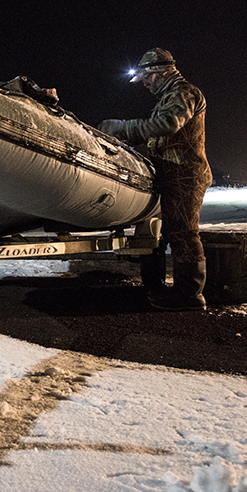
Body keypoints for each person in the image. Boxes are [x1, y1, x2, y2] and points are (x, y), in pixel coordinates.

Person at [99, 48, 211, 310]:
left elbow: (169, 124)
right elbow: (157, 133)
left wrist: (123, 127)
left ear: (160, 72)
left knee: (183, 233)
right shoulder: (168, 97)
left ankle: (190, 295)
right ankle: (163, 288)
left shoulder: (185, 93)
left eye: (147, 79)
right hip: (170, 174)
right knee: (169, 233)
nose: (146, 85)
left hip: (185, 175)